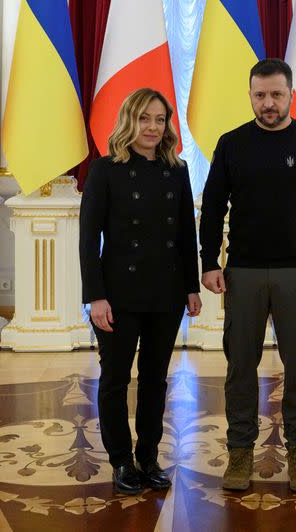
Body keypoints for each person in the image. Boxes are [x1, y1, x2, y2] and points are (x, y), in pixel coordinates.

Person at [198, 59, 296, 492]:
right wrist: (210, 261)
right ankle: (240, 451)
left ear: (291, 95)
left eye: (276, 94)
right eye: (260, 95)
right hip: (241, 273)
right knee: (239, 367)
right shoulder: (230, 144)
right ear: (250, 96)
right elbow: (213, 207)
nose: (268, 103)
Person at [80, 88, 202, 495]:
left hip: (166, 294)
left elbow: (186, 234)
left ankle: (148, 457)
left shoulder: (177, 169)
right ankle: (120, 461)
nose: (152, 127)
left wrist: (191, 288)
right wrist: (95, 296)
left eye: (160, 119)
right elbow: (87, 239)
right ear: (129, 121)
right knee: (115, 379)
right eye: (145, 118)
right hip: (117, 294)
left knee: (155, 379)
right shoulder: (105, 170)